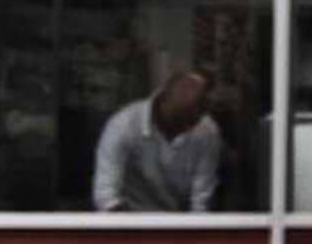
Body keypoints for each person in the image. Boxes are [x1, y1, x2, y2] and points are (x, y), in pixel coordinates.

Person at [92, 69, 222, 212]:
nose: (184, 129)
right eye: (178, 120)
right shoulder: (123, 125)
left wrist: (194, 229)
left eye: (191, 122)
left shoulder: (206, 130)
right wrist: (134, 230)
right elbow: (106, 197)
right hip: (129, 217)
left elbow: (201, 200)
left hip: (179, 222)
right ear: (162, 102)